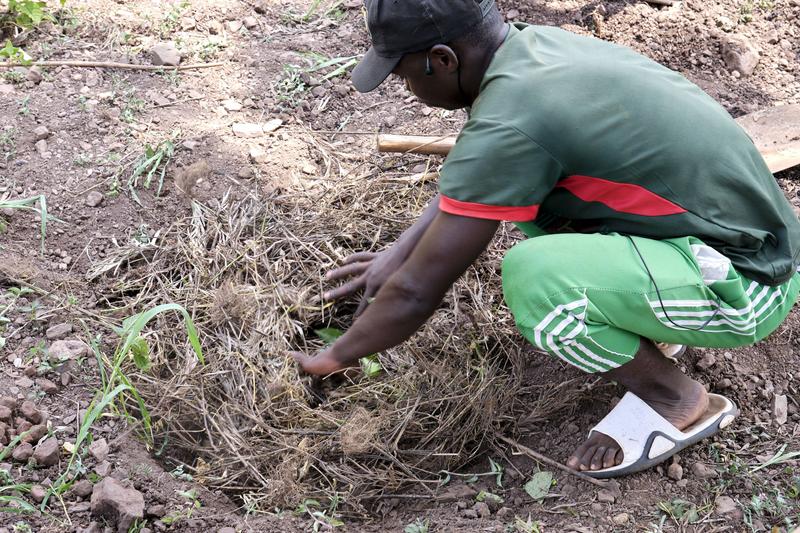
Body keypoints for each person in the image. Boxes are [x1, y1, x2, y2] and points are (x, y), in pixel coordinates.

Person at [291, 0, 800, 477]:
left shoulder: (514, 117)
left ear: (441, 61)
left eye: (402, 76)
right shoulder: (532, 53)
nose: (405, 90)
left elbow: (418, 292)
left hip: (750, 285)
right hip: (742, 238)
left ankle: (674, 398)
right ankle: (652, 310)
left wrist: (333, 356)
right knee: (530, 206)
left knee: (537, 280)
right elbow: (482, 175)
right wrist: (396, 255)